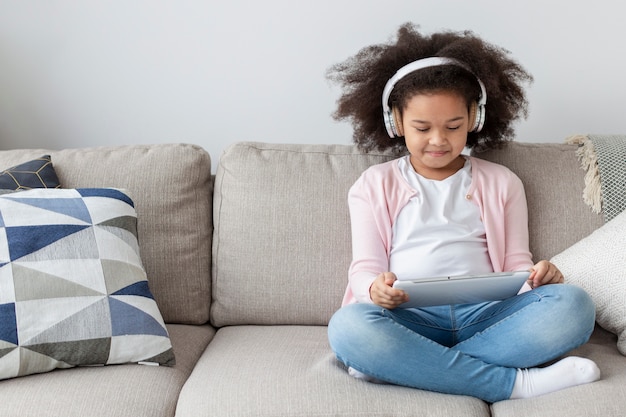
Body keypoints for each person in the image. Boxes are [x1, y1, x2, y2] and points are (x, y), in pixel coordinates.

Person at [326, 23, 600, 403]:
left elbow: (515, 265)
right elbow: (364, 269)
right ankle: (516, 384)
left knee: (574, 305)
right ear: (396, 122)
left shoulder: (503, 182)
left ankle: (404, 367)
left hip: (487, 319)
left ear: (475, 118)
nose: (438, 140)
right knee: (349, 328)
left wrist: (536, 279)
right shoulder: (373, 184)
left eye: (453, 126)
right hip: (410, 321)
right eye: (422, 127)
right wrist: (375, 290)